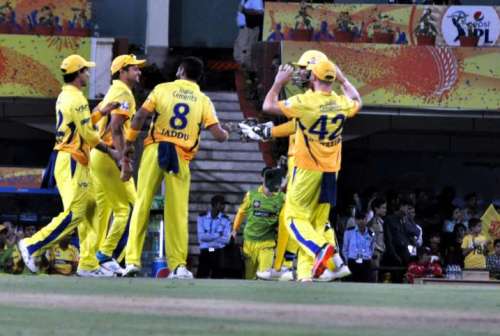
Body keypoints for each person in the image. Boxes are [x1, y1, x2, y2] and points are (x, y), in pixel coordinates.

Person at [121, 56, 229, 278]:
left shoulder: (162, 89)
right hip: (180, 155)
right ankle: (178, 265)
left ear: (180, 70)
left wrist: (129, 144)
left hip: (155, 150)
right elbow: (218, 135)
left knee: (141, 204)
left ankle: (132, 262)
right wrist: (227, 132)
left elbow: (140, 116)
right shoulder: (203, 100)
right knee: (177, 212)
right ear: (199, 77)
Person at [18, 55, 121, 276]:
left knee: (92, 208)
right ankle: (32, 245)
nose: (88, 74)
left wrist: (102, 112)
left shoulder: (67, 96)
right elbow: (90, 137)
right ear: (77, 74)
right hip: (73, 160)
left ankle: (88, 264)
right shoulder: (77, 99)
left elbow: (79, 127)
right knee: (75, 213)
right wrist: (112, 153)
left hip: (71, 159)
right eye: (85, 70)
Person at [262, 58, 362, 280]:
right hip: (331, 170)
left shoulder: (306, 101)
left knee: (292, 216)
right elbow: (358, 100)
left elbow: (268, 106)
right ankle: (329, 263)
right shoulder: (340, 102)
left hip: (308, 168)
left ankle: (320, 251)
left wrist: (278, 83)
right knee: (316, 221)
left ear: (314, 77)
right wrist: (343, 79)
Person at [88, 54, 145, 276]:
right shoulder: (123, 93)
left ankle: (93, 258)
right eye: (134, 69)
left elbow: (94, 119)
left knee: (105, 209)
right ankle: (105, 255)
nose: (139, 72)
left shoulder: (115, 91)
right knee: (126, 209)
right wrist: (124, 160)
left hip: (99, 155)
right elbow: (116, 127)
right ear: (122, 71)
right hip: (110, 156)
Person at [232, 167, 285, 280]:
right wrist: (234, 230)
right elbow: (241, 212)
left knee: (264, 275)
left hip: (267, 243)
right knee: (249, 277)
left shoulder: (282, 198)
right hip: (249, 242)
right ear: (263, 179)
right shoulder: (252, 195)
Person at [196, 195, 232, 278]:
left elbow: (227, 240)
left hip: (218, 252)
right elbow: (201, 237)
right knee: (201, 277)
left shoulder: (226, 220)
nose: (224, 207)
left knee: (218, 277)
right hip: (206, 252)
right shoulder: (202, 218)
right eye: (222, 204)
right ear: (217, 205)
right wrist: (218, 235)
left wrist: (209, 238)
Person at [342, 211, 375, 282]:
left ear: (366, 220)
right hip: (352, 262)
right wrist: (347, 260)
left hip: (366, 262)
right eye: (359, 219)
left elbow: (372, 248)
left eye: (363, 219)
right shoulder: (348, 232)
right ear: (355, 220)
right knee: (351, 284)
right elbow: (345, 249)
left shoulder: (371, 233)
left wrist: (369, 256)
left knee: (367, 284)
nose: (361, 221)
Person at [367, 197, 386, 282]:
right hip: (375, 252)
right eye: (383, 208)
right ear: (376, 209)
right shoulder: (371, 222)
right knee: (374, 275)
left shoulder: (382, 221)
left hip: (382, 251)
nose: (385, 210)